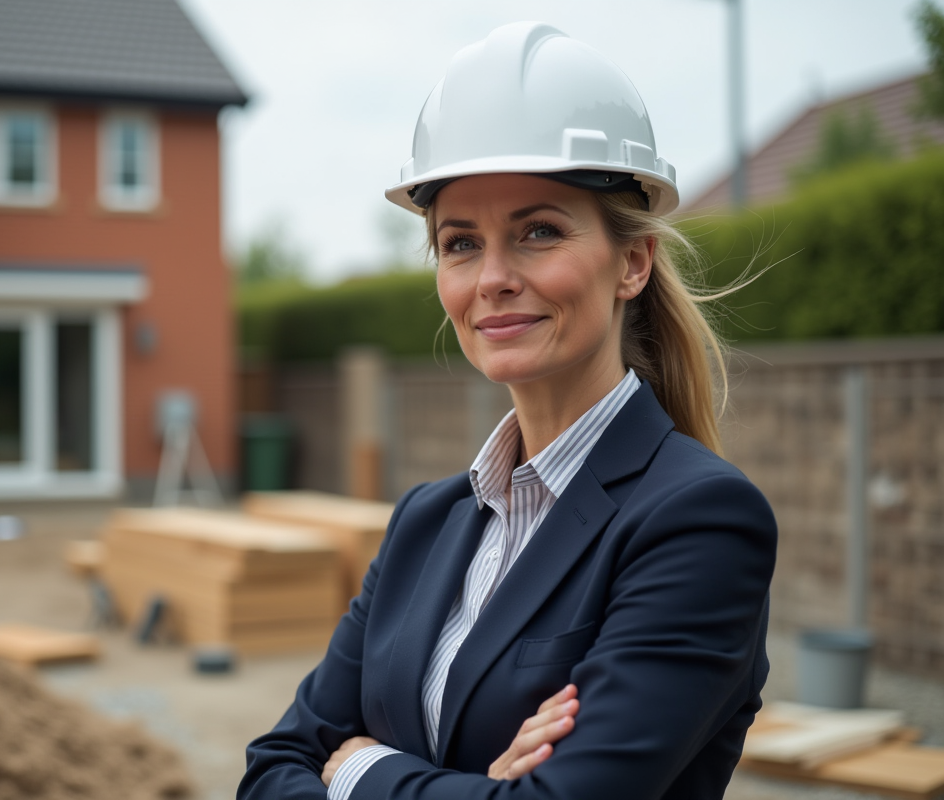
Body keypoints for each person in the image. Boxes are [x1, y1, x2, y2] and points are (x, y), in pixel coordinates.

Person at [238, 21, 777, 800]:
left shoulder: (699, 522)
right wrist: (472, 788)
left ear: (632, 262)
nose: (491, 277)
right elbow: (268, 771)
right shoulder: (425, 522)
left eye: (538, 232)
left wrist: (362, 766)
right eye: (460, 244)